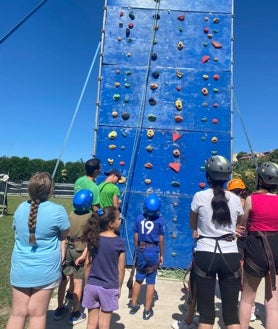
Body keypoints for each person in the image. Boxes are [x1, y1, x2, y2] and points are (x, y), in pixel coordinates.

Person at [5, 172, 70, 329]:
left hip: (20, 268)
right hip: (45, 269)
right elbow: (65, 234)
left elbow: (17, 228)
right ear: (51, 190)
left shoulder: (20, 208)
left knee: (17, 313)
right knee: (38, 314)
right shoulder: (58, 210)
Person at [190, 155, 244, 329]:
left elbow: (193, 225)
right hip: (230, 254)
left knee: (206, 314)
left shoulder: (199, 196)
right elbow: (240, 226)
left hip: (205, 253)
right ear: (227, 177)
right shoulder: (236, 199)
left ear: (208, 176)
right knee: (231, 315)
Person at [238, 161, 278, 329]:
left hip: (255, 248)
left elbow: (243, 226)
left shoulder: (250, 199)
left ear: (259, 180)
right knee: (273, 302)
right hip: (276, 248)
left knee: (247, 298)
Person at [81, 206, 126, 329]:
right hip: (109, 287)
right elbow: (121, 268)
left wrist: (87, 284)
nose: (120, 220)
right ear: (111, 224)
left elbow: (87, 265)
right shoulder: (119, 242)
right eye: (119, 218)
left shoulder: (93, 238)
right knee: (104, 325)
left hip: (92, 285)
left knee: (91, 323)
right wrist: (119, 287)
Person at [54, 189, 93, 325]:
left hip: (68, 248)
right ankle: (75, 312)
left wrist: (62, 251)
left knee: (64, 281)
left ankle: (60, 308)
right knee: (78, 282)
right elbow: (91, 238)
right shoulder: (90, 216)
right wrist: (84, 254)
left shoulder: (70, 213)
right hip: (80, 250)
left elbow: (64, 233)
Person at [129, 194, 165, 320]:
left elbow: (136, 236)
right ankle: (147, 310)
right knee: (151, 281)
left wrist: (136, 249)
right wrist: (162, 254)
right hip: (153, 251)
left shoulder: (139, 218)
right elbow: (161, 239)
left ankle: (134, 305)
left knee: (138, 278)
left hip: (141, 250)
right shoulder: (160, 221)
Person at [227, 178, 256, 322]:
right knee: (249, 276)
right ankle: (250, 308)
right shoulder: (248, 201)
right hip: (251, 240)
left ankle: (245, 306)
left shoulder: (235, 203)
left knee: (238, 271)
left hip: (240, 241)